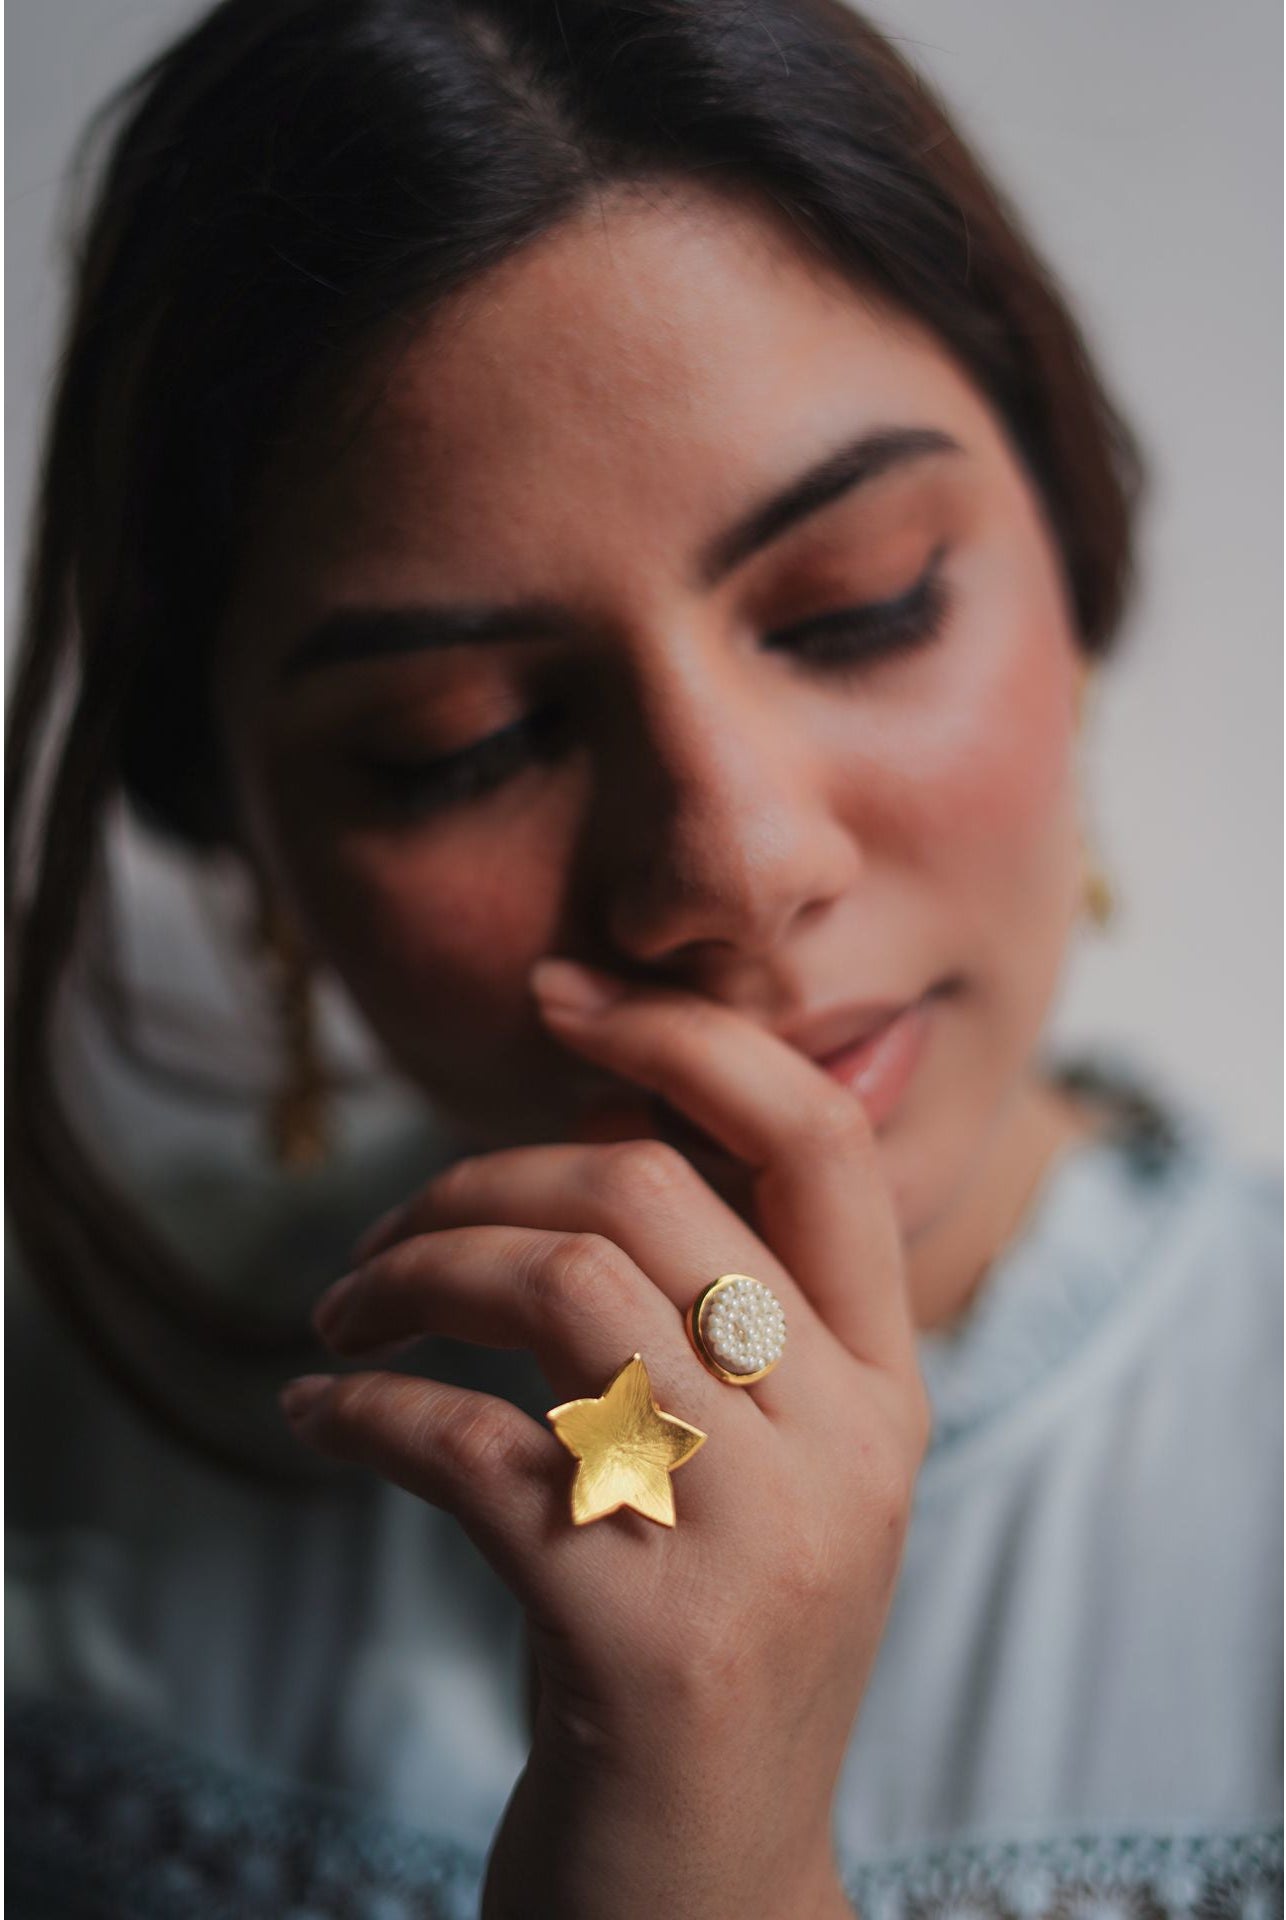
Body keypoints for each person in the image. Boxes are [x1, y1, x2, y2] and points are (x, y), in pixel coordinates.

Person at [5, 1, 1281, 1915]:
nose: (733, 867)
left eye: (858, 608)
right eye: (458, 741)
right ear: (254, 848)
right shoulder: (44, 1471)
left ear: (1072, 554)